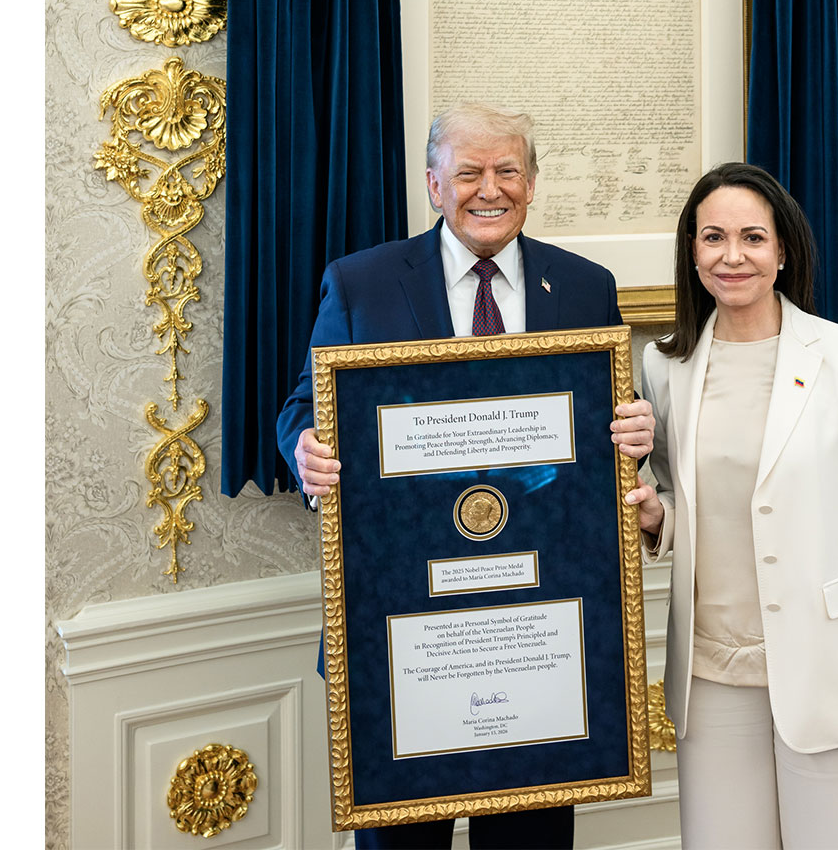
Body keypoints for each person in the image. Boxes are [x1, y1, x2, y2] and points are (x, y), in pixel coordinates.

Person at [277, 101, 656, 850]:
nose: (491, 189)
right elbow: (303, 407)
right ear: (433, 184)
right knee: (401, 840)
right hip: (402, 614)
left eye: (508, 171)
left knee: (530, 836)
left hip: (539, 615)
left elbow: (599, 435)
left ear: (532, 183)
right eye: (470, 172)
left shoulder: (584, 285)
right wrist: (306, 448)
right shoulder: (363, 282)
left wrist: (636, 435)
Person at [620, 162, 838, 850]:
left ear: (783, 250)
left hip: (829, 668)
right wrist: (654, 518)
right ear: (691, 252)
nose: (733, 256)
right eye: (713, 238)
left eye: (753, 238)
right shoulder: (664, 367)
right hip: (711, 673)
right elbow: (677, 500)